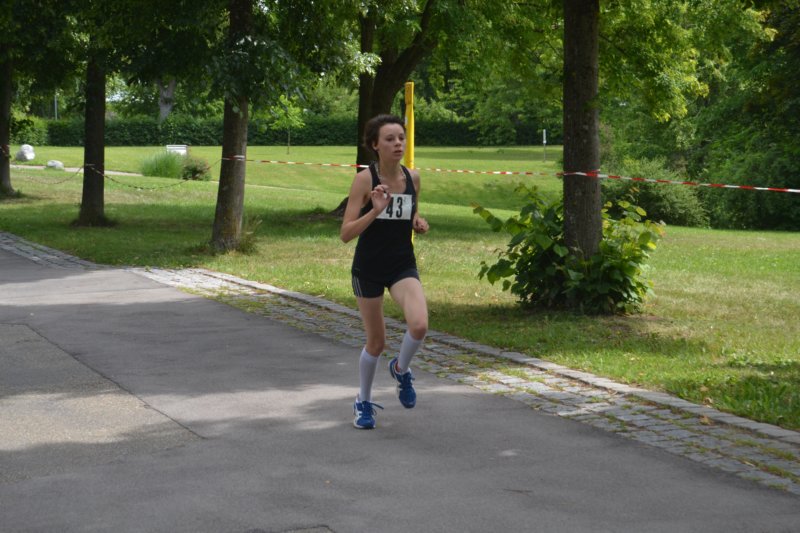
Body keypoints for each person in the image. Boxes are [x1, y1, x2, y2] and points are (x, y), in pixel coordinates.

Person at [340, 114, 430, 429]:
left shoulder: (413, 177)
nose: (398, 144)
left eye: (401, 138)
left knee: (419, 325)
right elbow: (346, 233)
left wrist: (417, 222)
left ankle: (401, 370)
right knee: (376, 342)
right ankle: (363, 402)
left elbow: (411, 211)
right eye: (390, 139)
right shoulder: (365, 180)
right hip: (368, 267)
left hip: (401, 264)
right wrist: (375, 212)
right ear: (375, 145)